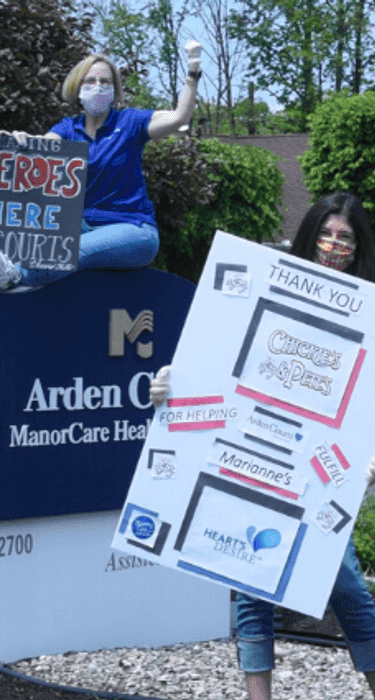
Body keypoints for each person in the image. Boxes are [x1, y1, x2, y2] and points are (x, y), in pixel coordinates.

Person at [150, 192, 375, 700]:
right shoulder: (270, 287)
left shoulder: (370, 311)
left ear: (358, 246)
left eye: (345, 237)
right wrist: (171, 384)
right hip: (255, 448)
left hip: (324, 469)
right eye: (325, 233)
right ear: (308, 234)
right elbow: (219, 351)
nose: (332, 245)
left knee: (345, 588)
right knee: (249, 582)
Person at [0, 42, 203, 292]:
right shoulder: (67, 128)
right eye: (90, 81)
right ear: (77, 88)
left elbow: (180, 117)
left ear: (115, 90)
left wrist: (192, 73)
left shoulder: (130, 122)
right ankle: (2, 273)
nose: (98, 87)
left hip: (133, 231)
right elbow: (41, 147)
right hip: (83, 227)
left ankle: (15, 275)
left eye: (106, 82)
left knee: (73, 250)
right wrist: (22, 141)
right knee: (43, 236)